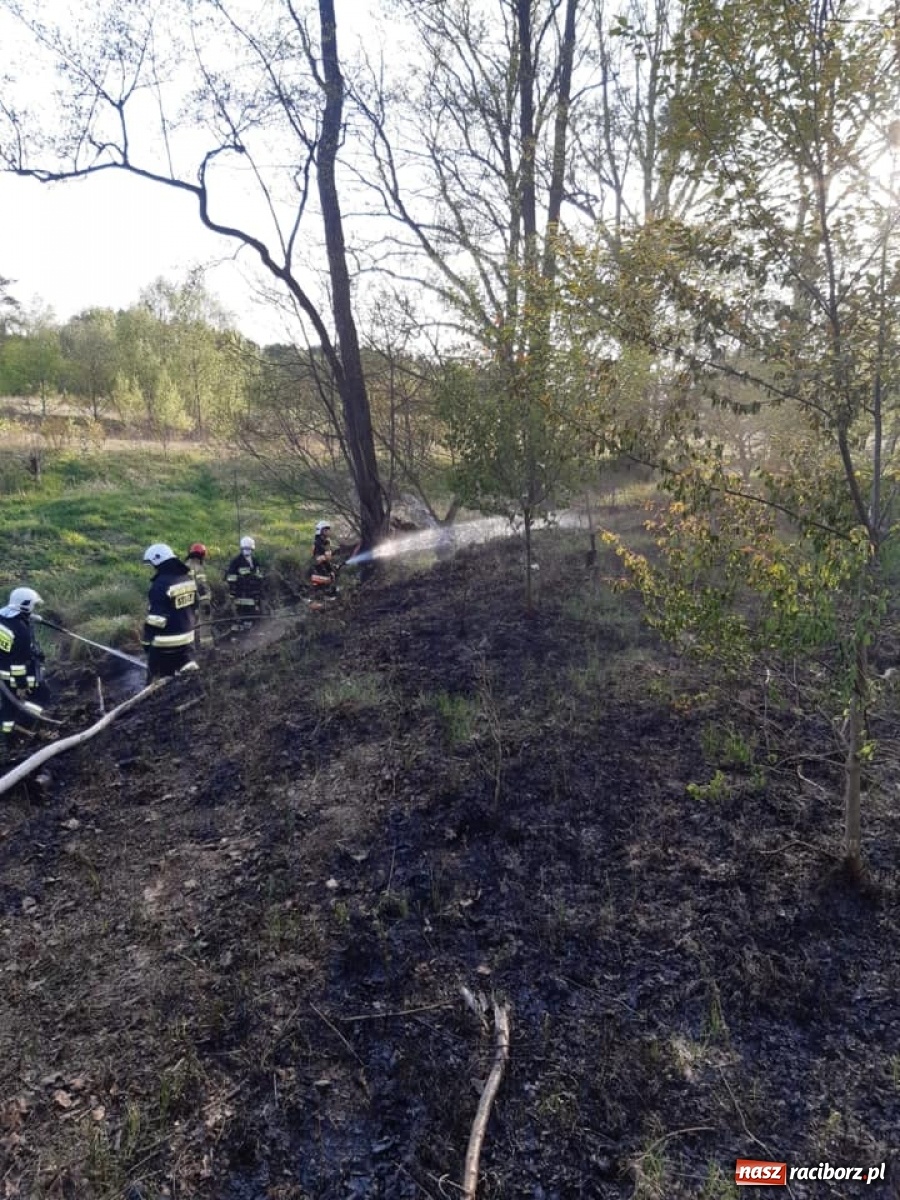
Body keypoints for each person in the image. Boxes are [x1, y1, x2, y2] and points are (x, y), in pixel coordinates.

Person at [0, 587, 51, 759]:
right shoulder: (21, 632)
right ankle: (23, 725)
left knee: (8, 705)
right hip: (17, 674)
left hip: (2, 673)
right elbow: (19, 663)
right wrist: (22, 685)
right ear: (26, 605)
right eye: (33, 606)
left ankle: (8, 740)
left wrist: (30, 618)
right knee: (42, 694)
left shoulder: (2, 618)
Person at [141, 543, 199, 678]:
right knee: (188, 677)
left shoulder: (160, 584)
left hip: (165, 643)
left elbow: (156, 620)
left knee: (156, 679)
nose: (153, 568)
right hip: (188, 639)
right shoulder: (187, 578)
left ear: (158, 561)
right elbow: (195, 605)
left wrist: (146, 642)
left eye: (152, 564)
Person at [225, 535, 264, 630]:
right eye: (245, 549)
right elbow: (230, 577)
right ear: (242, 548)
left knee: (252, 614)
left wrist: (259, 586)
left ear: (252, 549)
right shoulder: (236, 561)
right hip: (241, 593)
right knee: (243, 613)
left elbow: (260, 575)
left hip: (253, 594)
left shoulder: (254, 561)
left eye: (249, 549)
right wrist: (233, 590)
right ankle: (242, 629)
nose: (247, 551)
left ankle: (247, 629)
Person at [185, 542, 215, 650]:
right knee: (205, 623)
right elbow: (202, 586)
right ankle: (207, 648)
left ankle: (190, 647)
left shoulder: (185, 566)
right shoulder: (198, 567)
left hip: (186, 601)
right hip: (200, 601)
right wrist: (206, 603)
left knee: (188, 624)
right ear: (201, 555)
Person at [309, 520, 338, 595]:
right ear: (320, 531)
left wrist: (331, 569)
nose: (328, 531)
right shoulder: (317, 543)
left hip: (324, 569)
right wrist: (326, 556)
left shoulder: (326, 542)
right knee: (323, 588)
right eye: (326, 530)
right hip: (317, 571)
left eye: (328, 530)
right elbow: (317, 560)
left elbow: (327, 559)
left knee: (332, 580)